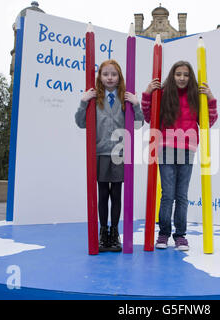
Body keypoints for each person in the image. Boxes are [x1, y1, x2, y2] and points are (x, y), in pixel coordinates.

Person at [141, 60, 218, 251]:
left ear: (190, 77)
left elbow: (209, 121)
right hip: (166, 147)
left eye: (185, 74)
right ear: (172, 76)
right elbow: (149, 117)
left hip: (187, 149)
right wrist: (147, 93)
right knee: (167, 194)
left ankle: (180, 235)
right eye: (178, 74)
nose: (182, 78)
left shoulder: (195, 96)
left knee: (181, 195)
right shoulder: (164, 94)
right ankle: (164, 234)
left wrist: (210, 98)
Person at [75, 59, 144, 252]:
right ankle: (102, 231)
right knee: (103, 194)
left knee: (116, 194)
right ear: (100, 77)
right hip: (101, 154)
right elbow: (81, 123)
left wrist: (136, 105)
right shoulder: (95, 99)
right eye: (106, 74)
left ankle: (114, 232)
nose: (110, 78)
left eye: (113, 74)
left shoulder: (125, 98)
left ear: (119, 77)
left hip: (120, 154)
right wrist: (83, 102)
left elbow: (138, 124)